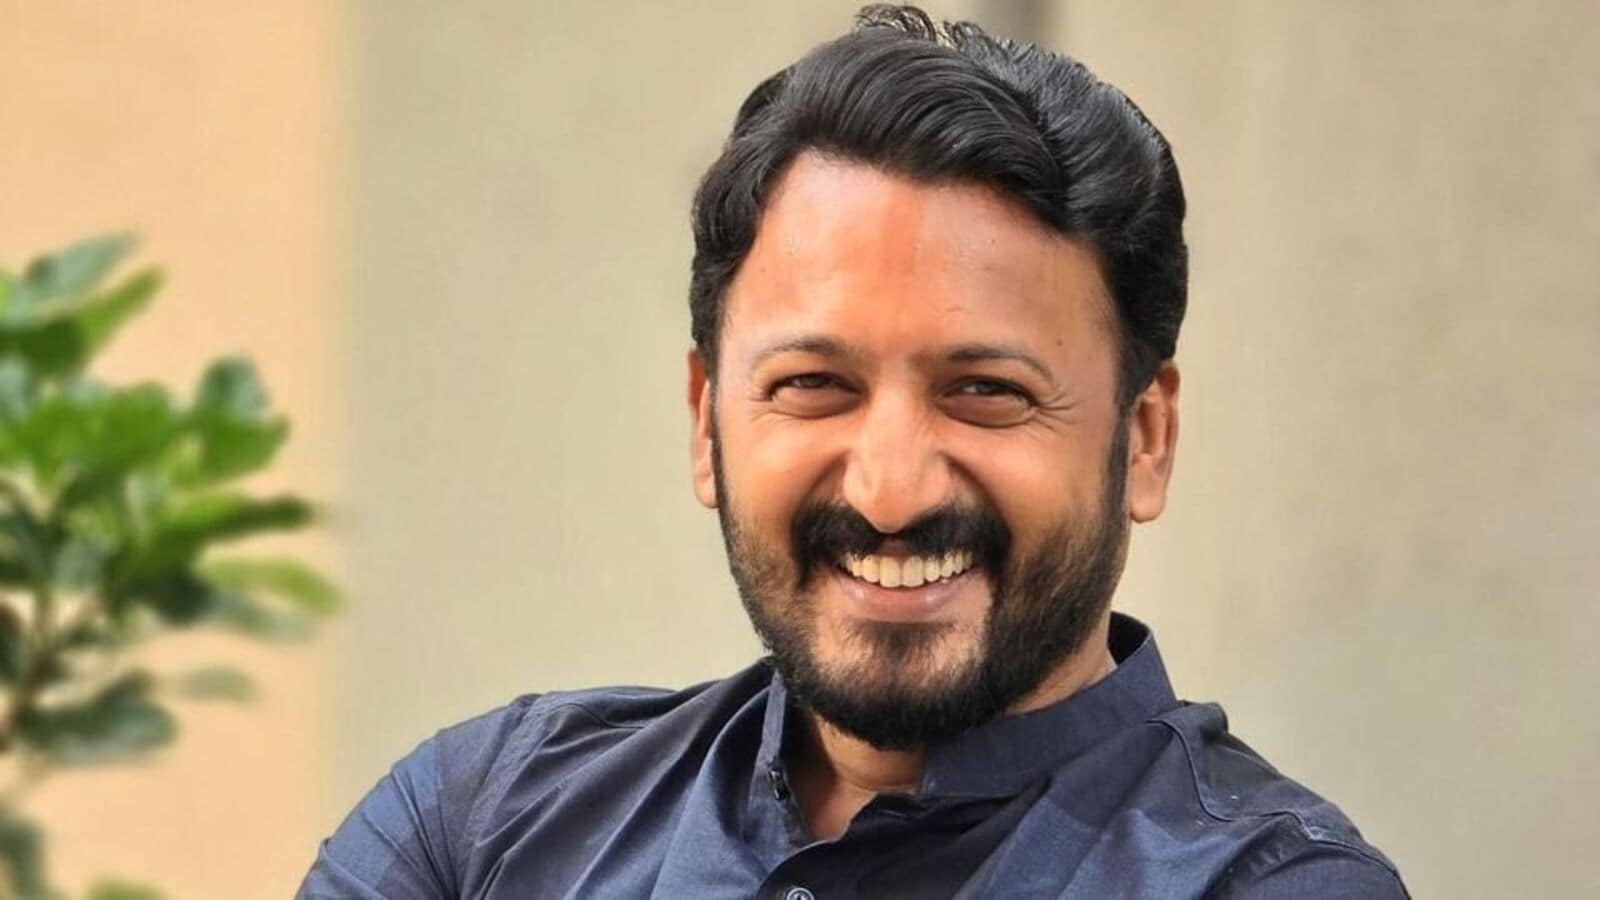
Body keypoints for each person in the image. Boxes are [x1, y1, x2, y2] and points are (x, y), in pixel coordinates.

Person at [300, 5, 1407, 898]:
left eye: (985, 393)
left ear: (1145, 438)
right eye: (814, 387)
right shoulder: (487, 822)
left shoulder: (1266, 886)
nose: (888, 490)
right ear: (705, 420)